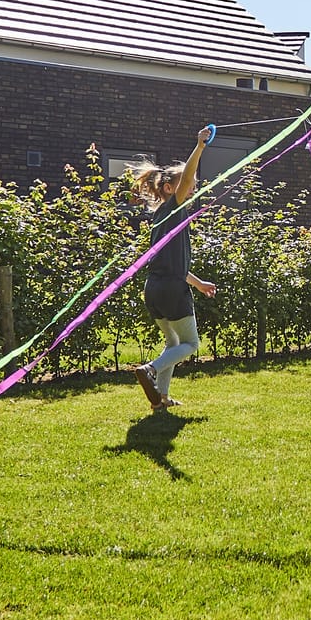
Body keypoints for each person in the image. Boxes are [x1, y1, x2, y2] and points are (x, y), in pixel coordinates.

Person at [128, 127, 219, 410]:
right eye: (188, 183)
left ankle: (161, 399)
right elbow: (188, 175)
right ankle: (150, 370)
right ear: (169, 188)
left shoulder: (160, 217)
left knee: (172, 344)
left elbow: (171, 264)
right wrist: (200, 146)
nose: (193, 186)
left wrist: (198, 282)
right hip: (170, 289)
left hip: (154, 288)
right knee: (191, 344)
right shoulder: (173, 209)